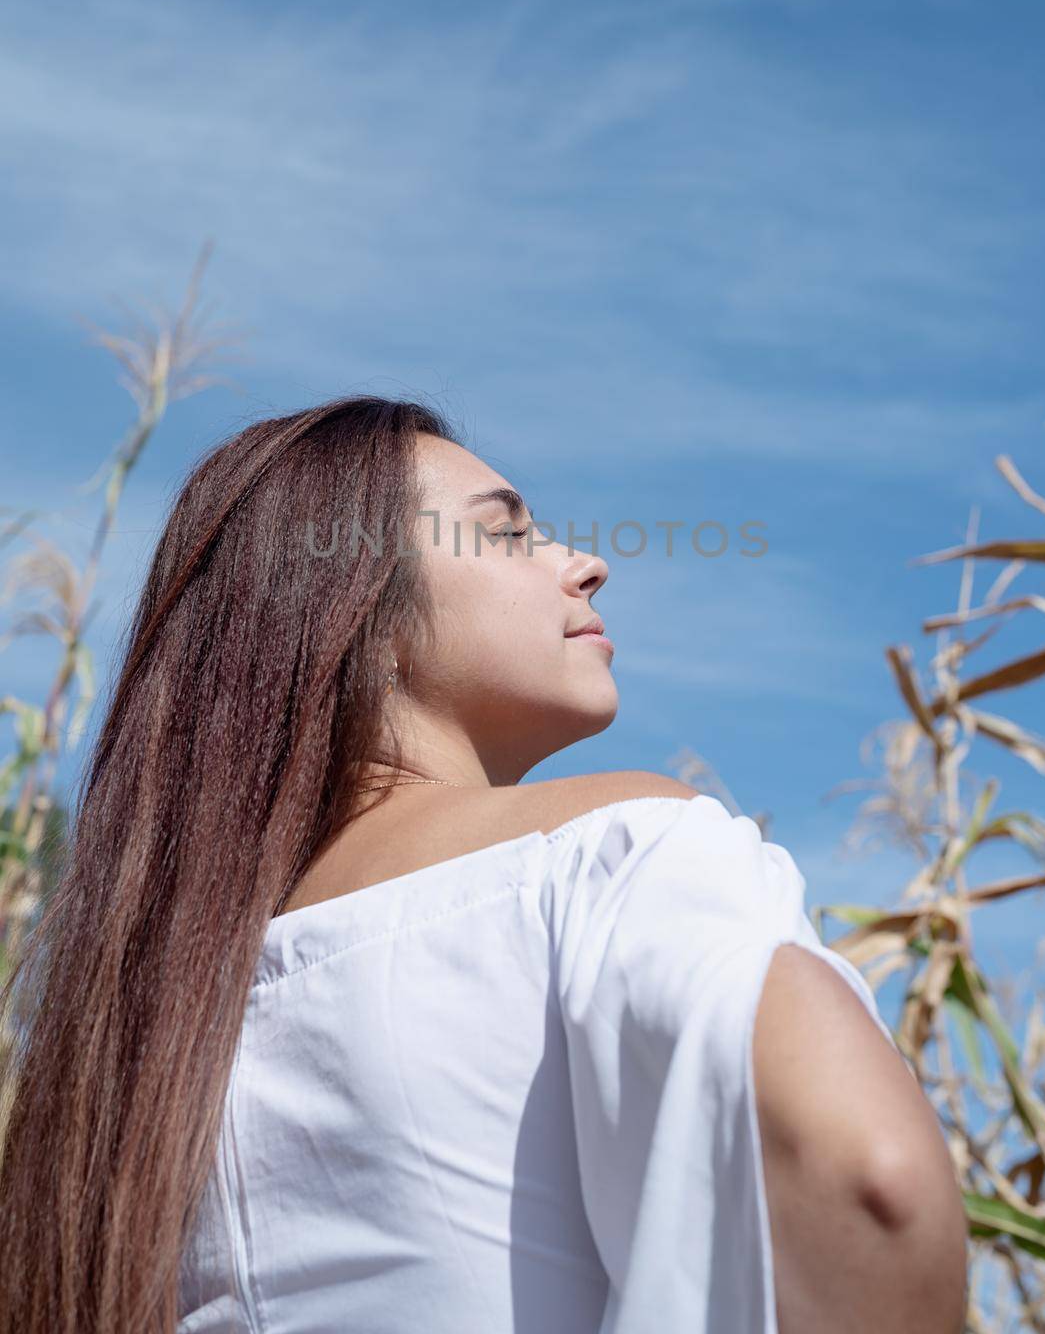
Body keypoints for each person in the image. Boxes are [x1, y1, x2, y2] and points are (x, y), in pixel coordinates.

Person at [0, 394, 969, 1333]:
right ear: (355, 611)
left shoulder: (121, 1047)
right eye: (506, 534)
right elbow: (871, 1182)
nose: (587, 565)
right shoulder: (615, 853)